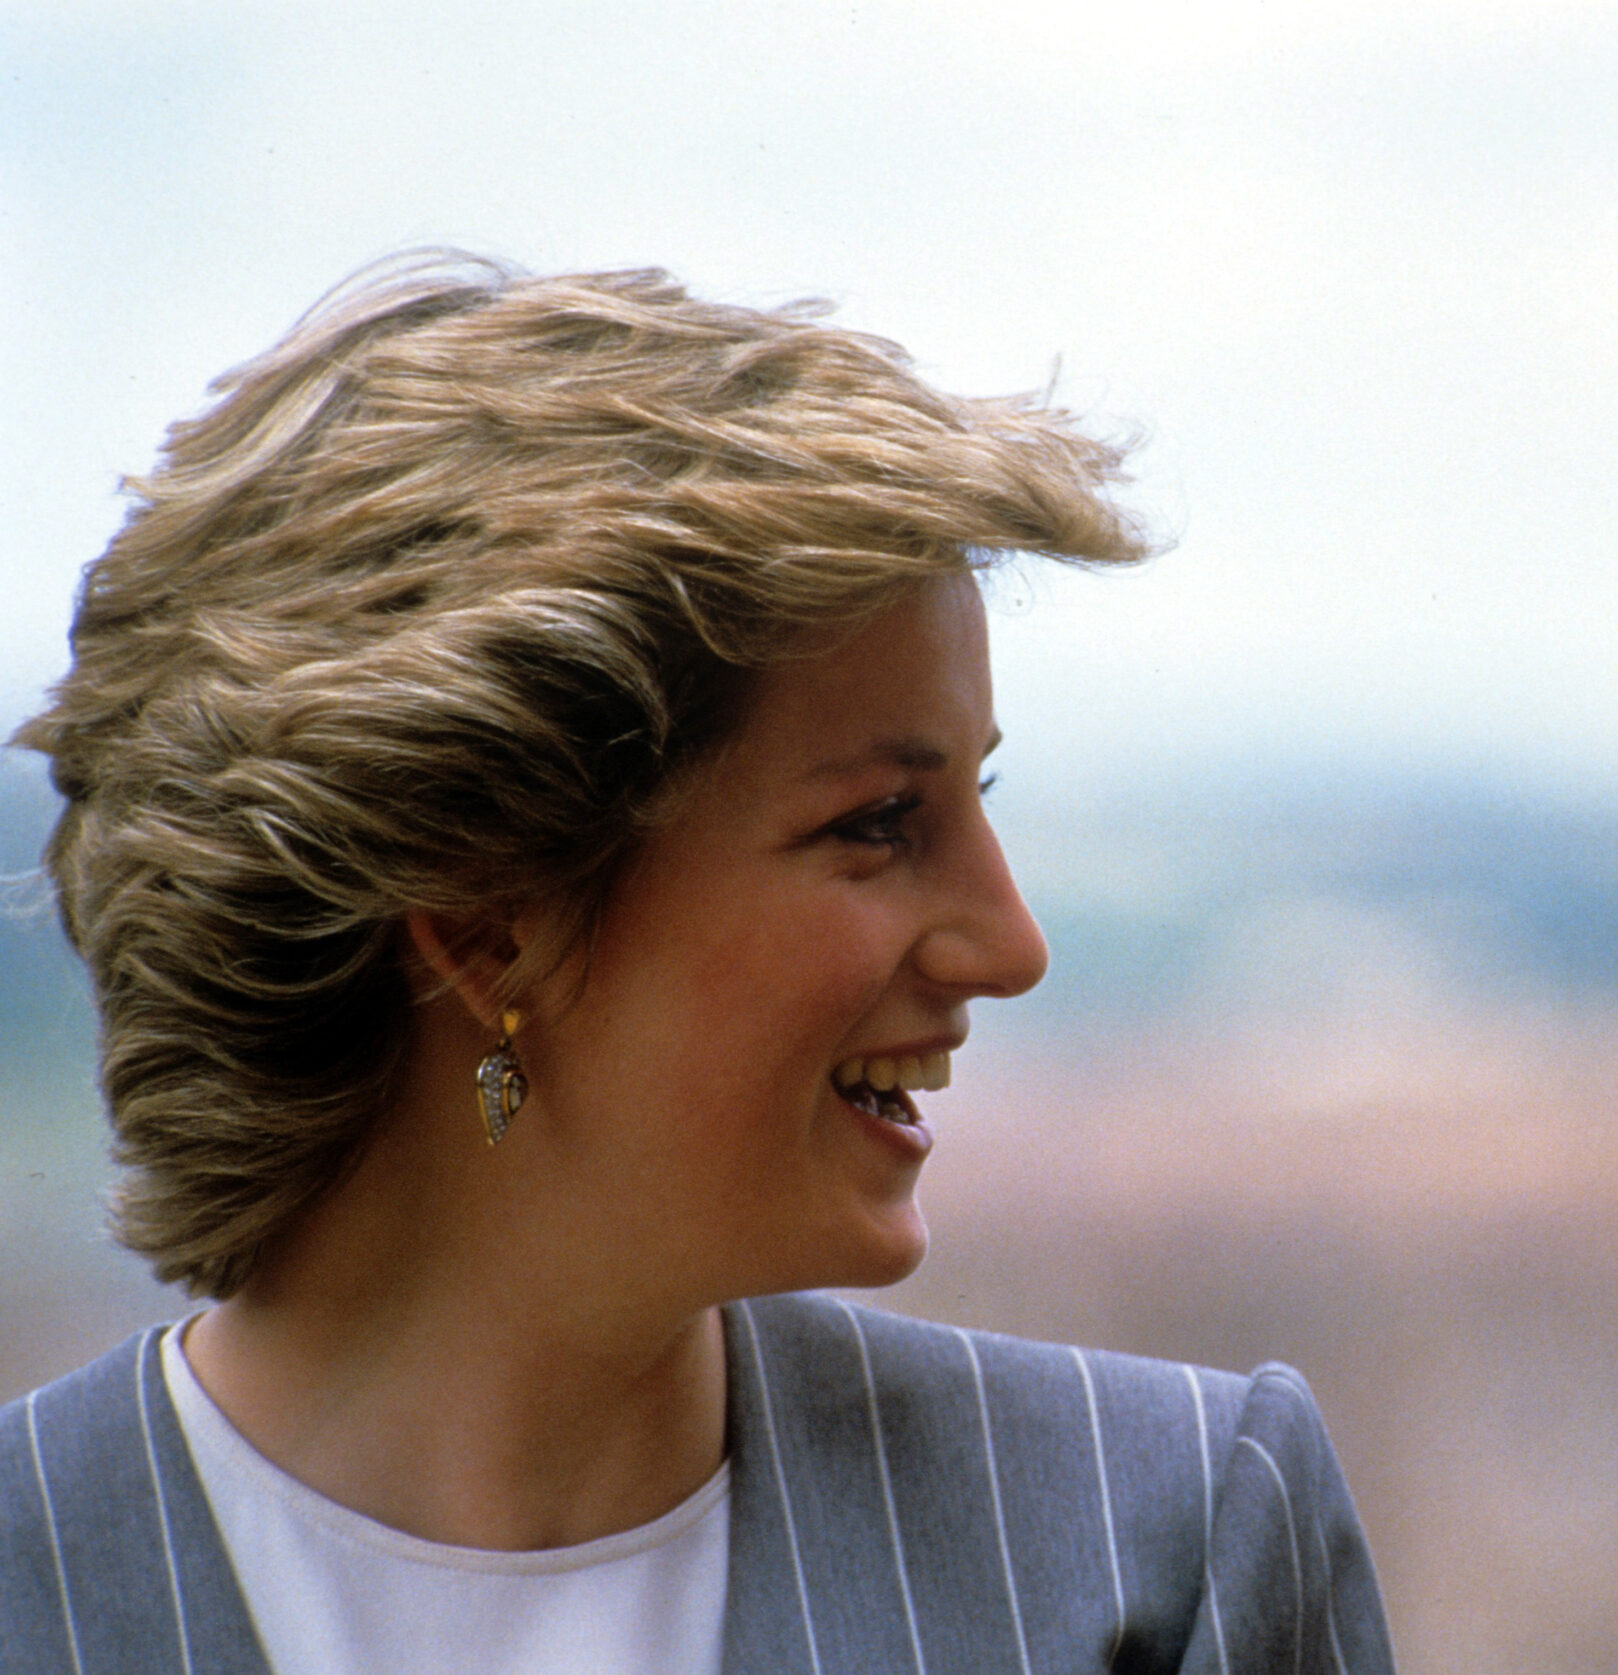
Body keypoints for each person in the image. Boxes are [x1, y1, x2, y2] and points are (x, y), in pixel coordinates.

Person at [0, 253, 1394, 1674]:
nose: (1012, 944)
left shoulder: (1161, 1550)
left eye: (980, 796)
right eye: (879, 823)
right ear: (489, 925)